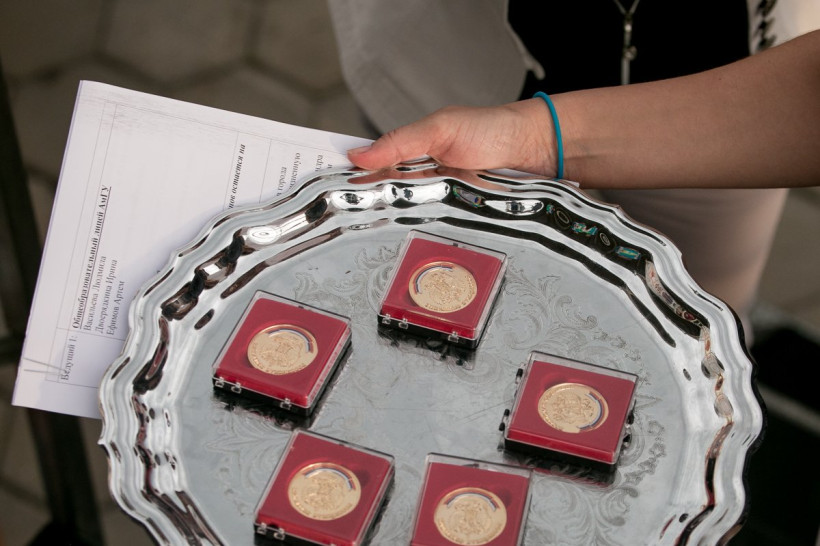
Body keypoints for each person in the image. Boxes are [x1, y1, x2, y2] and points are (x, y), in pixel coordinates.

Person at [328, 1, 818, 334]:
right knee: (432, 308)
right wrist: (525, 138)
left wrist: (532, 138)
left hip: (738, 104)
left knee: (697, 323)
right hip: (457, 60)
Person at [346, 29, 820, 189]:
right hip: (467, 60)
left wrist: (530, 139)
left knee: (703, 301)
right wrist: (527, 139)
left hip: (738, 89)